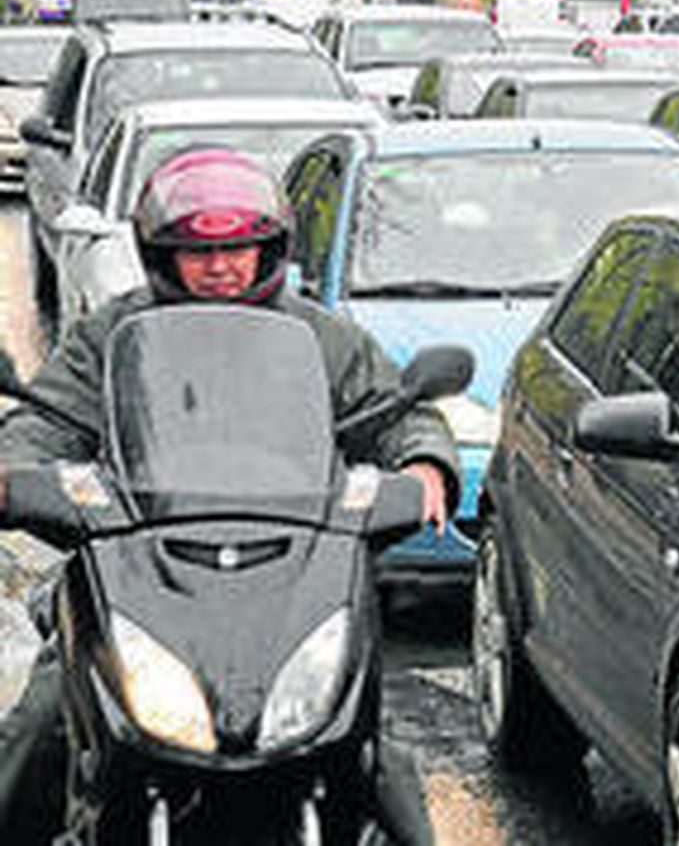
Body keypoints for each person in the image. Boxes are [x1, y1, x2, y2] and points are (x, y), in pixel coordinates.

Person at [0, 148, 459, 845]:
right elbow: (42, 421)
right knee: (41, 724)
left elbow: (399, 411)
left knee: (370, 747)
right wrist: (16, 472)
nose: (222, 265)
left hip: (295, 580)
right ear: (161, 253)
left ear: (268, 247)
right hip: (139, 574)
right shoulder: (112, 333)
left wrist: (426, 465)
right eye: (199, 251)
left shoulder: (320, 334)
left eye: (239, 248)